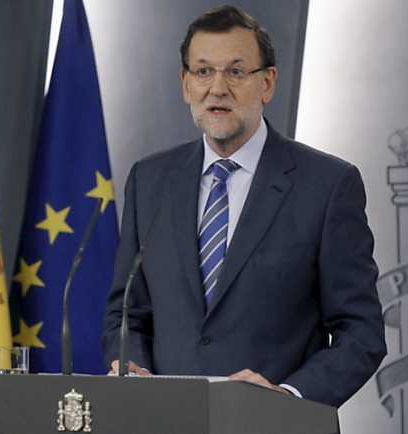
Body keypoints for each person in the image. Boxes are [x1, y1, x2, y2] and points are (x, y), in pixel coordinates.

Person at [103, 5, 386, 407]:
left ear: (267, 83)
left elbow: (361, 332)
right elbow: (126, 314)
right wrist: (132, 368)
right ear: (186, 84)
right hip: (165, 419)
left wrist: (287, 397)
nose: (217, 88)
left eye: (236, 72)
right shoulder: (150, 180)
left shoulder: (327, 185)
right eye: (203, 71)